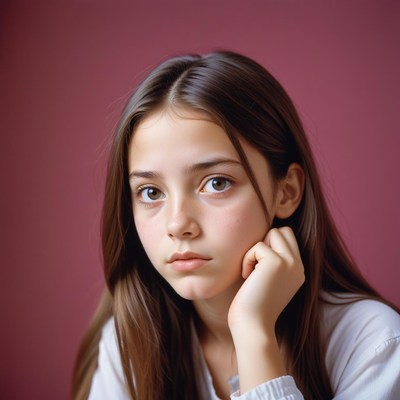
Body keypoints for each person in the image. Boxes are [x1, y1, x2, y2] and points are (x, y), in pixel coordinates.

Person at [71, 51, 400, 400]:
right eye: (151, 192)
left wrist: (253, 332)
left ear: (286, 191)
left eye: (216, 183)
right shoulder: (128, 346)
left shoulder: (376, 345)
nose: (178, 224)